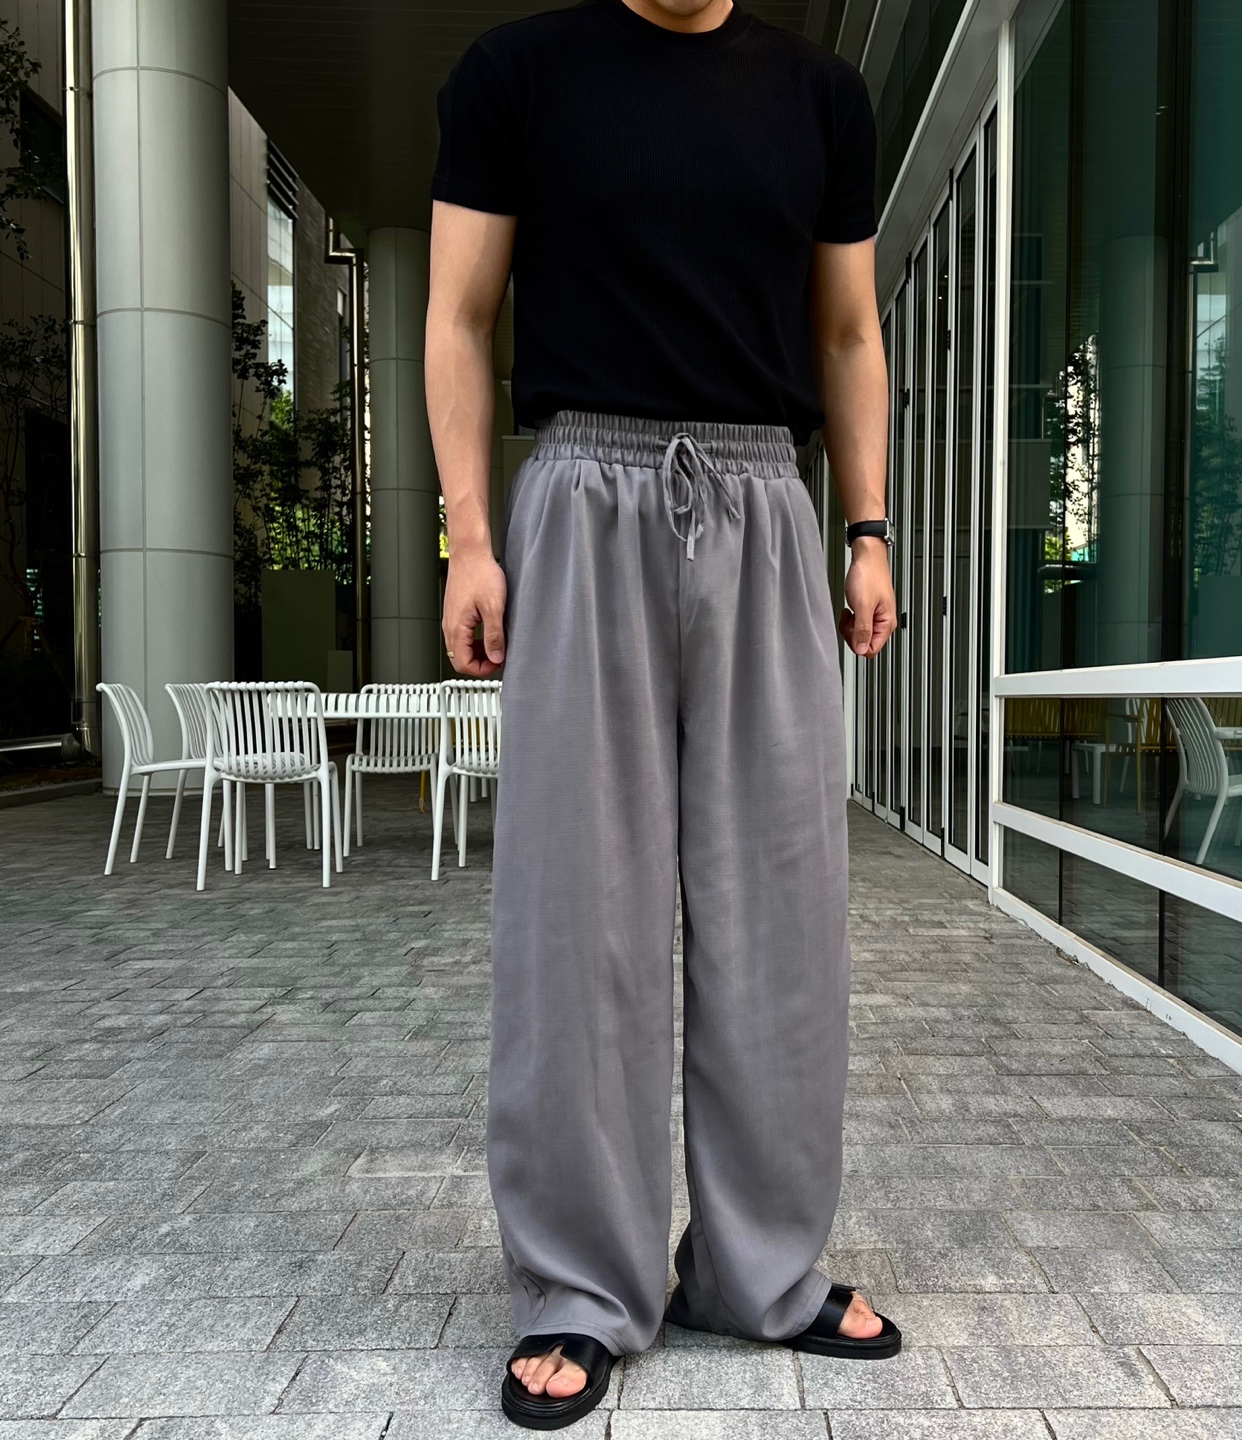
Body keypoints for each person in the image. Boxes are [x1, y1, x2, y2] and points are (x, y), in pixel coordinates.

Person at [426, 0, 899, 1426]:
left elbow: (848, 328)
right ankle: (583, 1282)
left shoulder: (819, 96)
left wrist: (867, 528)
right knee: (581, 911)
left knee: (783, 908)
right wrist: (469, 536)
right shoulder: (519, 74)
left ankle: (760, 1272)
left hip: (763, 500)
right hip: (583, 495)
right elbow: (458, 314)